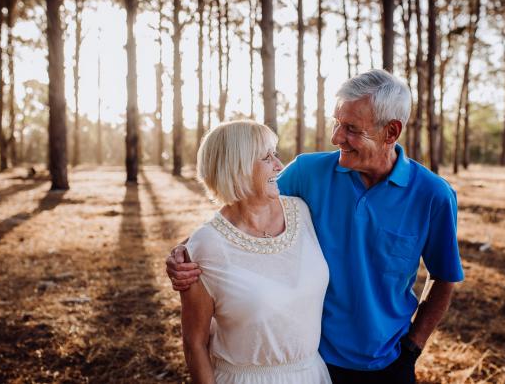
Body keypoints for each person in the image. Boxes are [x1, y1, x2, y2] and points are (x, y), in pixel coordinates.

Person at [168, 70, 464, 384]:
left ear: (391, 131)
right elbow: (241, 207)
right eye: (337, 122)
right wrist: (184, 252)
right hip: (312, 361)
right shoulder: (309, 172)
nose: (337, 137)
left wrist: (412, 348)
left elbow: (444, 277)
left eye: (351, 128)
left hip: (387, 363)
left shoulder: (433, 195)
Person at [179, 120, 332, 384]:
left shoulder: (302, 211)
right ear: (236, 168)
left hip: (313, 374)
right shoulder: (205, 247)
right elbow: (194, 344)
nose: (279, 166)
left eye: (276, 154)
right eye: (266, 157)